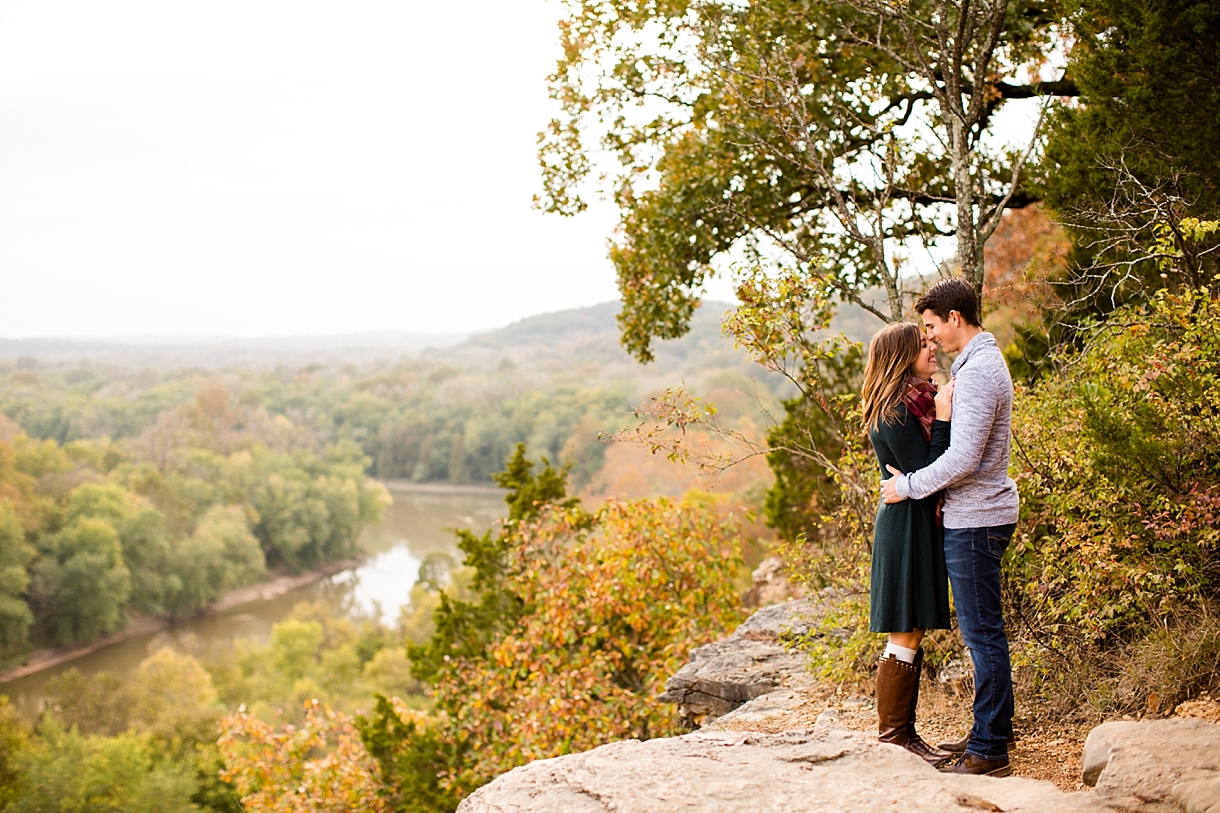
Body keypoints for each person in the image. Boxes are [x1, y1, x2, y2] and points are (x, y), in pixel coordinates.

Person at [881, 278, 1019, 777]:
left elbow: (962, 458)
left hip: (977, 518)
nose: (931, 337)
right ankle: (988, 732)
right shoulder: (975, 364)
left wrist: (908, 486)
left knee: (983, 637)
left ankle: (990, 751)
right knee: (982, 634)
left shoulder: (980, 371)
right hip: (973, 515)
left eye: (933, 326)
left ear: (955, 318)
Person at [861, 322, 955, 767]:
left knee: (912, 628)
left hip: (914, 519)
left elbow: (923, 473)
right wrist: (946, 417)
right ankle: (895, 737)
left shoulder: (909, 401)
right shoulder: (897, 410)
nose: (931, 347)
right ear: (902, 355)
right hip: (905, 526)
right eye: (922, 345)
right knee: (905, 628)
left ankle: (903, 735)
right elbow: (930, 466)